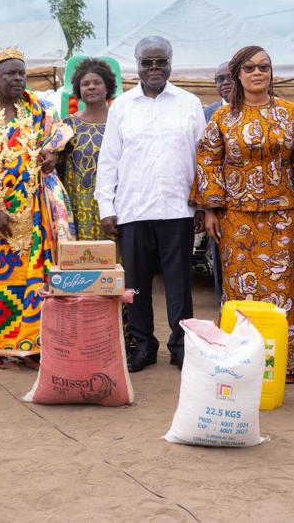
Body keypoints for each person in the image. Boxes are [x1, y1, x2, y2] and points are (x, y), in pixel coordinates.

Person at [191, 45, 294, 382]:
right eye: (250, 68)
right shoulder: (222, 117)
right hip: (236, 217)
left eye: (264, 67)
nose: (258, 73)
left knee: (282, 288)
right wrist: (212, 210)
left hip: (282, 217)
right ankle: (239, 364)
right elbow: (209, 162)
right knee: (237, 290)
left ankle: (287, 368)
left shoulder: (292, 113)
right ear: (238, 75)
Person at [95, 35, 206, 372]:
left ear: (171, 63)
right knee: (137, 285)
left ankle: (180, 345)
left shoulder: (189, 103)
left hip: (178, 209)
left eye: (161, 62)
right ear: (137, 65)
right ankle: (143, 345)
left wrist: (201, 203)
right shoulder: (122, 107)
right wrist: (107, 207)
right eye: (148, 62)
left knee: (179, 284)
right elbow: (109, 160)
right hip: (134, 209)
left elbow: (203, 158)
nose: (154, 68)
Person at [0, 46, 57, 366]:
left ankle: (30, 346)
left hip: (35, 210)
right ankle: (3, 347)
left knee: (35, 280)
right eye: (10, 74)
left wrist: (51, 157)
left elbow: (53, 145)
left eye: (22, 74)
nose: (18, 79)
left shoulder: (37, 110)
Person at [58, 57, 117, 241]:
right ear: (78, 90)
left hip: (114, 205)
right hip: (77, 206)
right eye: (85, 84)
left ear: (107, 87)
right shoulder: (67, 125)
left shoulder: (120, 123)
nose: (91, 87)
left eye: (97, 82)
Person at [202, 60, 233, 302]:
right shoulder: (204, 114)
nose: (225, 83)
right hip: (218, 205)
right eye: (219, 79)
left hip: (255, 205)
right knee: (222, 263)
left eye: (230, 77)